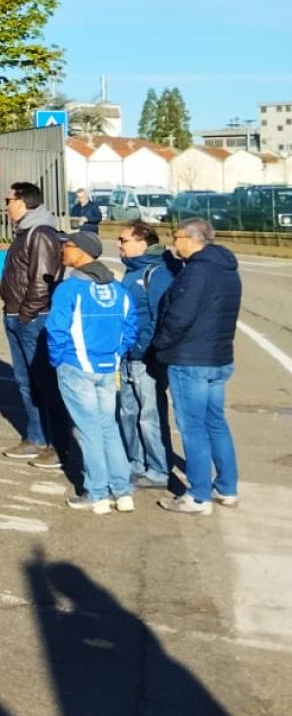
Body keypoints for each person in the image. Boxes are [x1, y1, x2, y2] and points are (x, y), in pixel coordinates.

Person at [151, 217, 240, 515]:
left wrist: (160, 344)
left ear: (192, 239)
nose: (174, 243)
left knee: (193, 428)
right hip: (218, 358)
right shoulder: (227, 271)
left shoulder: (196, 273)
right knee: (216, 423)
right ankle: (227, 487)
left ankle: (198, 495)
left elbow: (179, 318)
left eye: (177, 237)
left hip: (191, 361)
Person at [45, 229, 138, 514]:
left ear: (82, 251)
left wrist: (57, 360)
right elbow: (130, 327)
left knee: (88, 430)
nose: (62, 251)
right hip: (107, 368)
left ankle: (97, 493)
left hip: (76, 367)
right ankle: (122, 491)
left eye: (67, 246)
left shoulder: (70, 289)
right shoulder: (119, 289)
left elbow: (56, 329)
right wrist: (114, 355)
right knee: (107, 426)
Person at [0, 182, 67, 469]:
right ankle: (36, 437)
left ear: (23, 202)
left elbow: (42, 279)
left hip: (32, 319)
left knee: (45, 383)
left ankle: (58, 445)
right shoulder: (25, 232)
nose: (6, 206)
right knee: (26, 382)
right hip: (16, 315)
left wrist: (26, 313)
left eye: (9, 199)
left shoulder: (40, 233)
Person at [115, 222, 175, 489]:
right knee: (128, 412)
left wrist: (139, 349)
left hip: (145, 359)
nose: (119, 245)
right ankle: (135, 463)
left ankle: (159, 470)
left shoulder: (157, 273)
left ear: (142, 242)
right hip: (126, 356)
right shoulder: (130, 272)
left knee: (149, 415)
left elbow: (157, 318)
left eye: (124, 240)